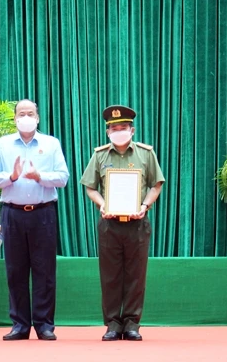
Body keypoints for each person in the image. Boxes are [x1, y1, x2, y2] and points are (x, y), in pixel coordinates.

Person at [0, 99, 69, 341]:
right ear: (15, 118)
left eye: (30, 113)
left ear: (37, 118)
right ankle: (20, 325)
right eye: (21, 113)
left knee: (45, 270)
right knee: (15, 271)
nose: (26, 117)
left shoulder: (51, 143)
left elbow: (63, 177)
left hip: (43, 213)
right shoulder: (2, 144)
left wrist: (39, 176)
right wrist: (11, 176)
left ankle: (44, 325)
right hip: (12, 213)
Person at [80, 105, 164, 342]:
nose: (119, 131)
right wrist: (102, 204)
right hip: (110, 225)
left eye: (123, 127)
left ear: (132, 130)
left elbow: (156, 184)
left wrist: (145, 205)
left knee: (136, 275)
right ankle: (113, 324)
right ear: (108, 132)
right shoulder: (100, 155)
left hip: (137, 223)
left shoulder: (145, 154)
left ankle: (132, 323)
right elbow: (90, 187)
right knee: (110, 276)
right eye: (114, 128)